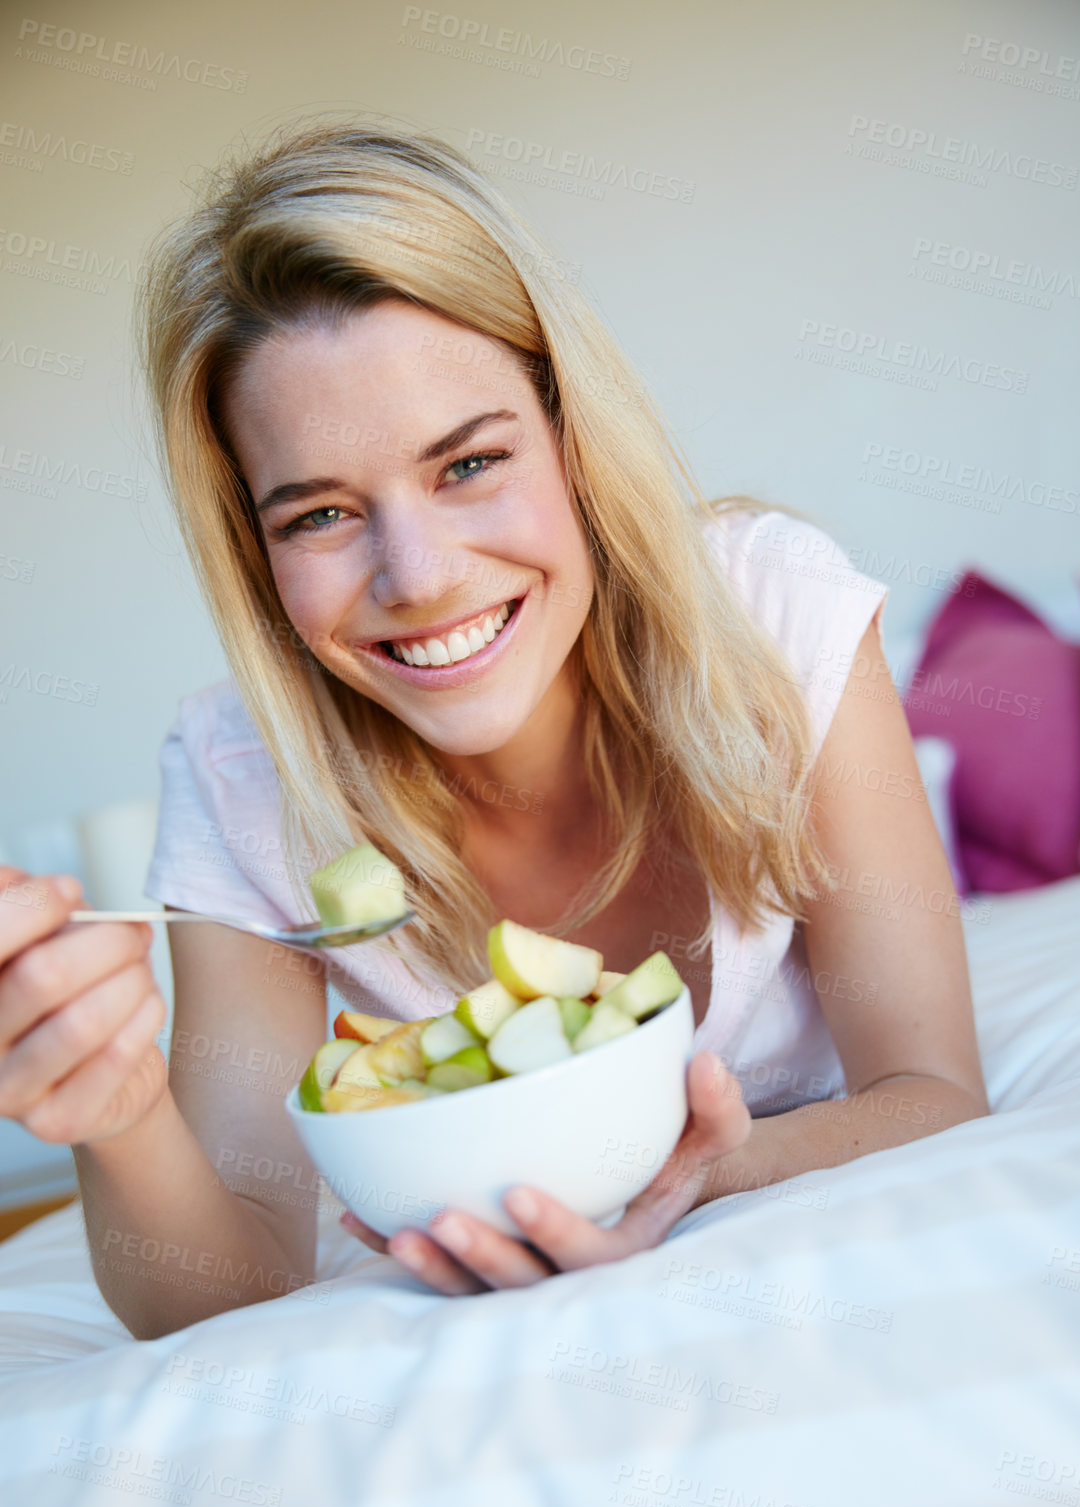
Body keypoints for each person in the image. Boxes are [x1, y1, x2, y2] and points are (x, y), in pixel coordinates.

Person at [0, 119, 988, 1337]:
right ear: (255, 557)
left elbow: (929, 1089)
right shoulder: (236, 778)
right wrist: (115, 1109)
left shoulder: (771, 615)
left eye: (467, 464)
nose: (415, 576)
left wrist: (690, 1175)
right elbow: (232, 1286)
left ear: (574, 437)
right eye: (316, 515)